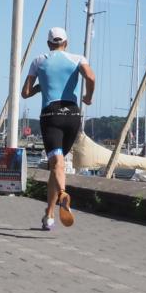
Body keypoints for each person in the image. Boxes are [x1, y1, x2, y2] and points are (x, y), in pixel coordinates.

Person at [21, 27, 96, 230]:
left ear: (48, 44)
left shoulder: (39, 60)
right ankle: (49, 215)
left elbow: (25, 93)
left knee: (57, 165)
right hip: (72, 115)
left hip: (51, 115)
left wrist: (41, 86)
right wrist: (88, 98)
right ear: (66, 43)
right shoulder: (78, 58)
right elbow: (91, 77)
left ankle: (63, 193)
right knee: (58, 166)